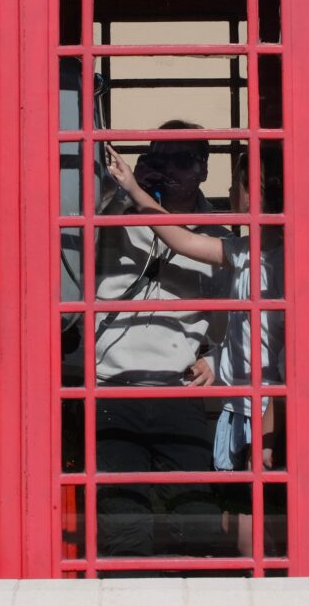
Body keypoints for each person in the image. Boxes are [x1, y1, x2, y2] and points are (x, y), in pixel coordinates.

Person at [106, 144, 286, 556]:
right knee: (240, 505)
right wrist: (133, 189)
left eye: (237, 181)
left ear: (256, 189)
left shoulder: (278, 260)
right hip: (235, 406)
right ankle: (250, 575)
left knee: (256, 507)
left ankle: (263, 582)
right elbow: (182, 238)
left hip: (266, 410)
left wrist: (268, 437)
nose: (228, 188)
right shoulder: (240, 252)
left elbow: (286, 363)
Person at [94, 121, 229, 561]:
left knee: (193, 514)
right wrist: (124, 195)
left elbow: (245, 316)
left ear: (203, 169)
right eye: (159, 157)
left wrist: (220, 358)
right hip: (113, 386)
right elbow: (75, 249)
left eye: (182, 159)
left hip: (178, 388)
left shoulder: (222, 235)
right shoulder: (113, 214)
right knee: (121, 517)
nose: (169, 168)